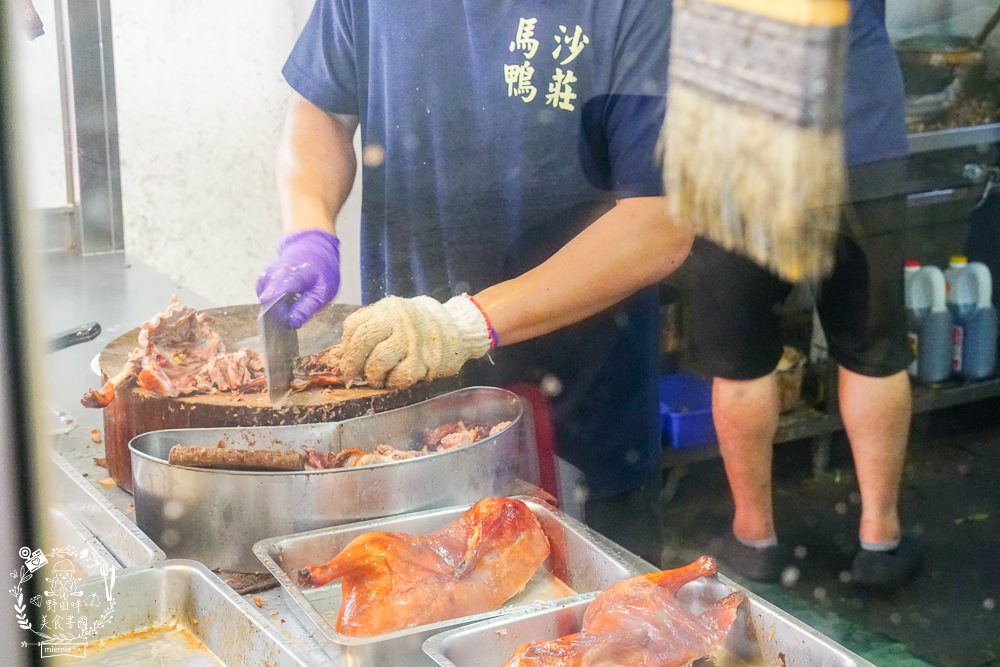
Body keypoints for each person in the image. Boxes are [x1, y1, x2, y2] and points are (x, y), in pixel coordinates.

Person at [255, 0, 694, 563]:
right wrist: (309, 230)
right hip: (399, 409)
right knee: (407, 616)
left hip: (572, 423)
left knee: (585, 631)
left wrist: (464, 323)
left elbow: (661, 223)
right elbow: (321, 112)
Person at [686, 0, 922, 588]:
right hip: (859, 126)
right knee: (872, 347)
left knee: (742, 359)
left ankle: (754, 537)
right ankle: (880, 541)